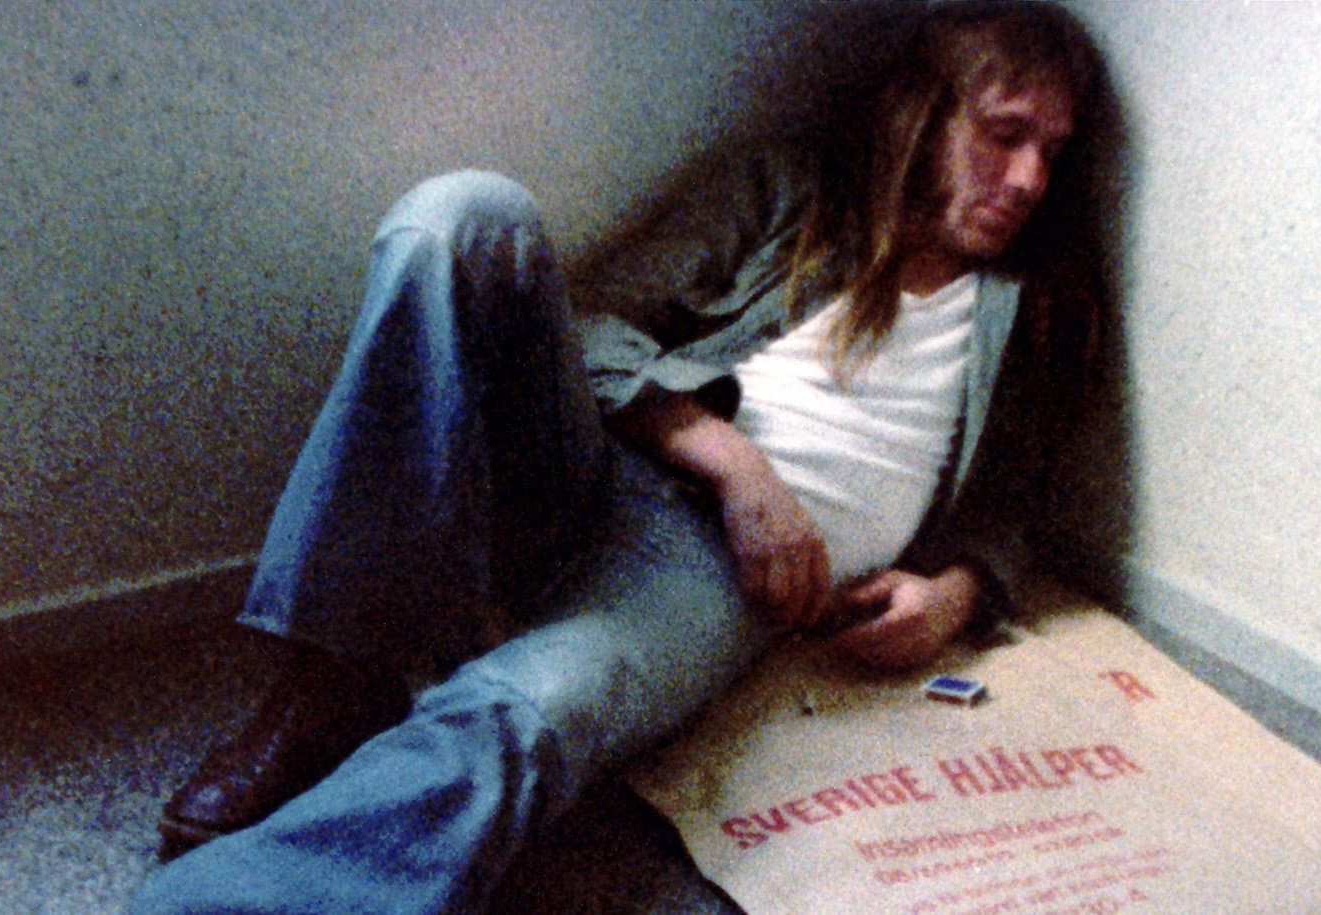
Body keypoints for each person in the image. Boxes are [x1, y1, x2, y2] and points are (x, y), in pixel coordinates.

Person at [133, 2, 1105, 911]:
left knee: (537, 709)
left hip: (703, 572)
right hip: (599, 463)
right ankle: (331, 679)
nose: (1028, 179)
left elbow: (1010, 507)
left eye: (1050, 152)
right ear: (922, 117)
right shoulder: (793, 191)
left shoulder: (1033, 306)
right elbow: (596, 321)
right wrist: (736, 466)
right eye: (1002, 133)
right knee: (467, 215)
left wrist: (953, 597)